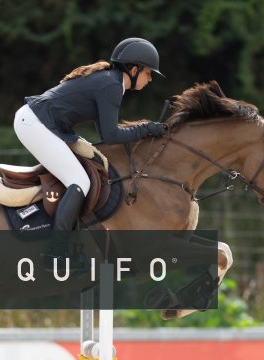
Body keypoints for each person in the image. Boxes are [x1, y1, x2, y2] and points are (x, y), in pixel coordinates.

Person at [13, 37, 166, 265]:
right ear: (134, 70)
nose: (150, 78)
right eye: (148, 73)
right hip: (35, 124)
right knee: (79, 181)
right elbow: (111, 136)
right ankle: (55, 252)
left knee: (83, 172)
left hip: (37, 121)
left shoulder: (110, 81)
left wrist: (145, 130)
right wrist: (147, 129)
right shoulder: (112, 85)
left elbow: (105, 132)